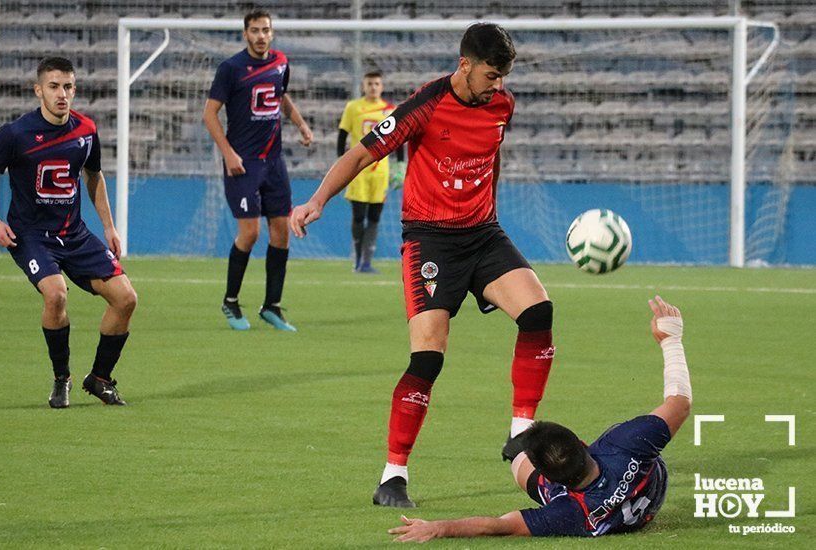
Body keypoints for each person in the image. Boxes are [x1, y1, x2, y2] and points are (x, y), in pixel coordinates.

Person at [290, 23, 556, 507]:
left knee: (539, 312)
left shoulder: (502, 105)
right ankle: (393, 476)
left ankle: (522, 430)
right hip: (431, 243)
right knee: (428, 359)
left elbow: (490, 159)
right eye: (491, 76)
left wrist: (488, 212)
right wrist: (316, 201)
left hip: (483, 234)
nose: (498, 86)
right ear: (465, 66)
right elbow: (361, 154)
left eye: (503, 78)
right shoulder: (425, 105)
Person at [387, 296, 692, 541]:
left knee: (519, 462)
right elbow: (680, 402)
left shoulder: (566, 512)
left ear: (550, 482)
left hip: (597, 507)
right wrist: (670, 339)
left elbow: (497, 525)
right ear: (583, 443)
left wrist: (437, 527)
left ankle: (523, 454)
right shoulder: (627, 444)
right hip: (649, 493)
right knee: (526, 455)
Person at [0, 57, 137, 408]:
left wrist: (108, 225)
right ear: (38, 90)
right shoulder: (17, 134)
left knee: (126, 299)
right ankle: (62, 378)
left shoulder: (86, 130)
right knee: (56, 295)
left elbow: (94, 176)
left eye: (68, 87)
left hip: (74, 234)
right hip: (31, 235)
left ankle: (100, 379)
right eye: (54, 86)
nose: (62, 94)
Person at [204, 8, 313, 332]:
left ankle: (272, 307)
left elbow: (281, 97)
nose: (261, 35)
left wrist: (301, 124)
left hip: (274, 162)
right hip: (243, 164)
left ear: (272, 32)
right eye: (255, 30)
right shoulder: (231, 68)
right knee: (250, 233)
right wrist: (228, 154)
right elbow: (210, 114)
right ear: (245, 34)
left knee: (282, 233)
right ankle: (231, 301)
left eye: (266, 29)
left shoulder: (280, 61)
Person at [336, 70, 402, 273]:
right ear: (363, 86)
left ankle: (366, 261)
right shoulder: (353, 108)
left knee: (374, 216)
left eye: (376, 84)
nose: (373, 87)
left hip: (380, 172)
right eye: (370, 83)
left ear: (381, 87)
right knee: (358, 215)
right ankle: (357, 257)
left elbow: (399, 137)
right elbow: (342, 136)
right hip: (358, 171)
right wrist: (341, 163)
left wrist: (400, 165)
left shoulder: (390, 110)